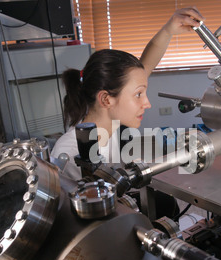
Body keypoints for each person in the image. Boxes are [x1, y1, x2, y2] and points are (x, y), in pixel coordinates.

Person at [51, 7, 205, 180]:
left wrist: (168, 30)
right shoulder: (71, 153)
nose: (147, 103)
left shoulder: (105, 123)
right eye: (139, 94)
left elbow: (142, 69)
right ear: (106, 100)